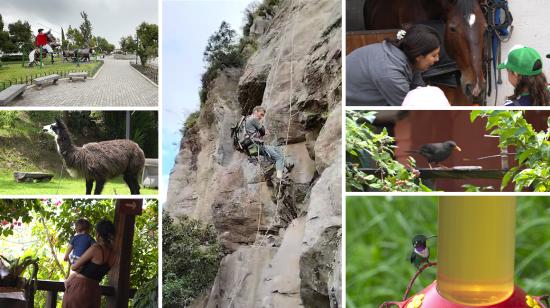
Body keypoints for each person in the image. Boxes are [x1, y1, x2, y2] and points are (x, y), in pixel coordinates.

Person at [347, 24, 441, 106]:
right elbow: (409, 107)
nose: (437, 59)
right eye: (434, 55)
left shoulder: (409, 60)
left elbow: (418, 91)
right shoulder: (390, 72)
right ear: (419, 56)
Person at [62, 220, 116, 308]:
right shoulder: (113, 254)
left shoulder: (96, 249)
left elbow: (74, 267)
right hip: (94, 290)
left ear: (98, 234)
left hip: (79, 288)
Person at [243, 106, 292, 179]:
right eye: (261, 114)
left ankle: (287, 165)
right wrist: (261, 123)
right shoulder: (253, 119)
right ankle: (279, 177)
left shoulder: (247, 119)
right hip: (256, 146)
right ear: (256, 111)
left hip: (252, 147)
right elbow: (263, 131)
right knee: (278, 158)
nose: (261, 117)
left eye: (263, 115)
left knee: (276, 148)